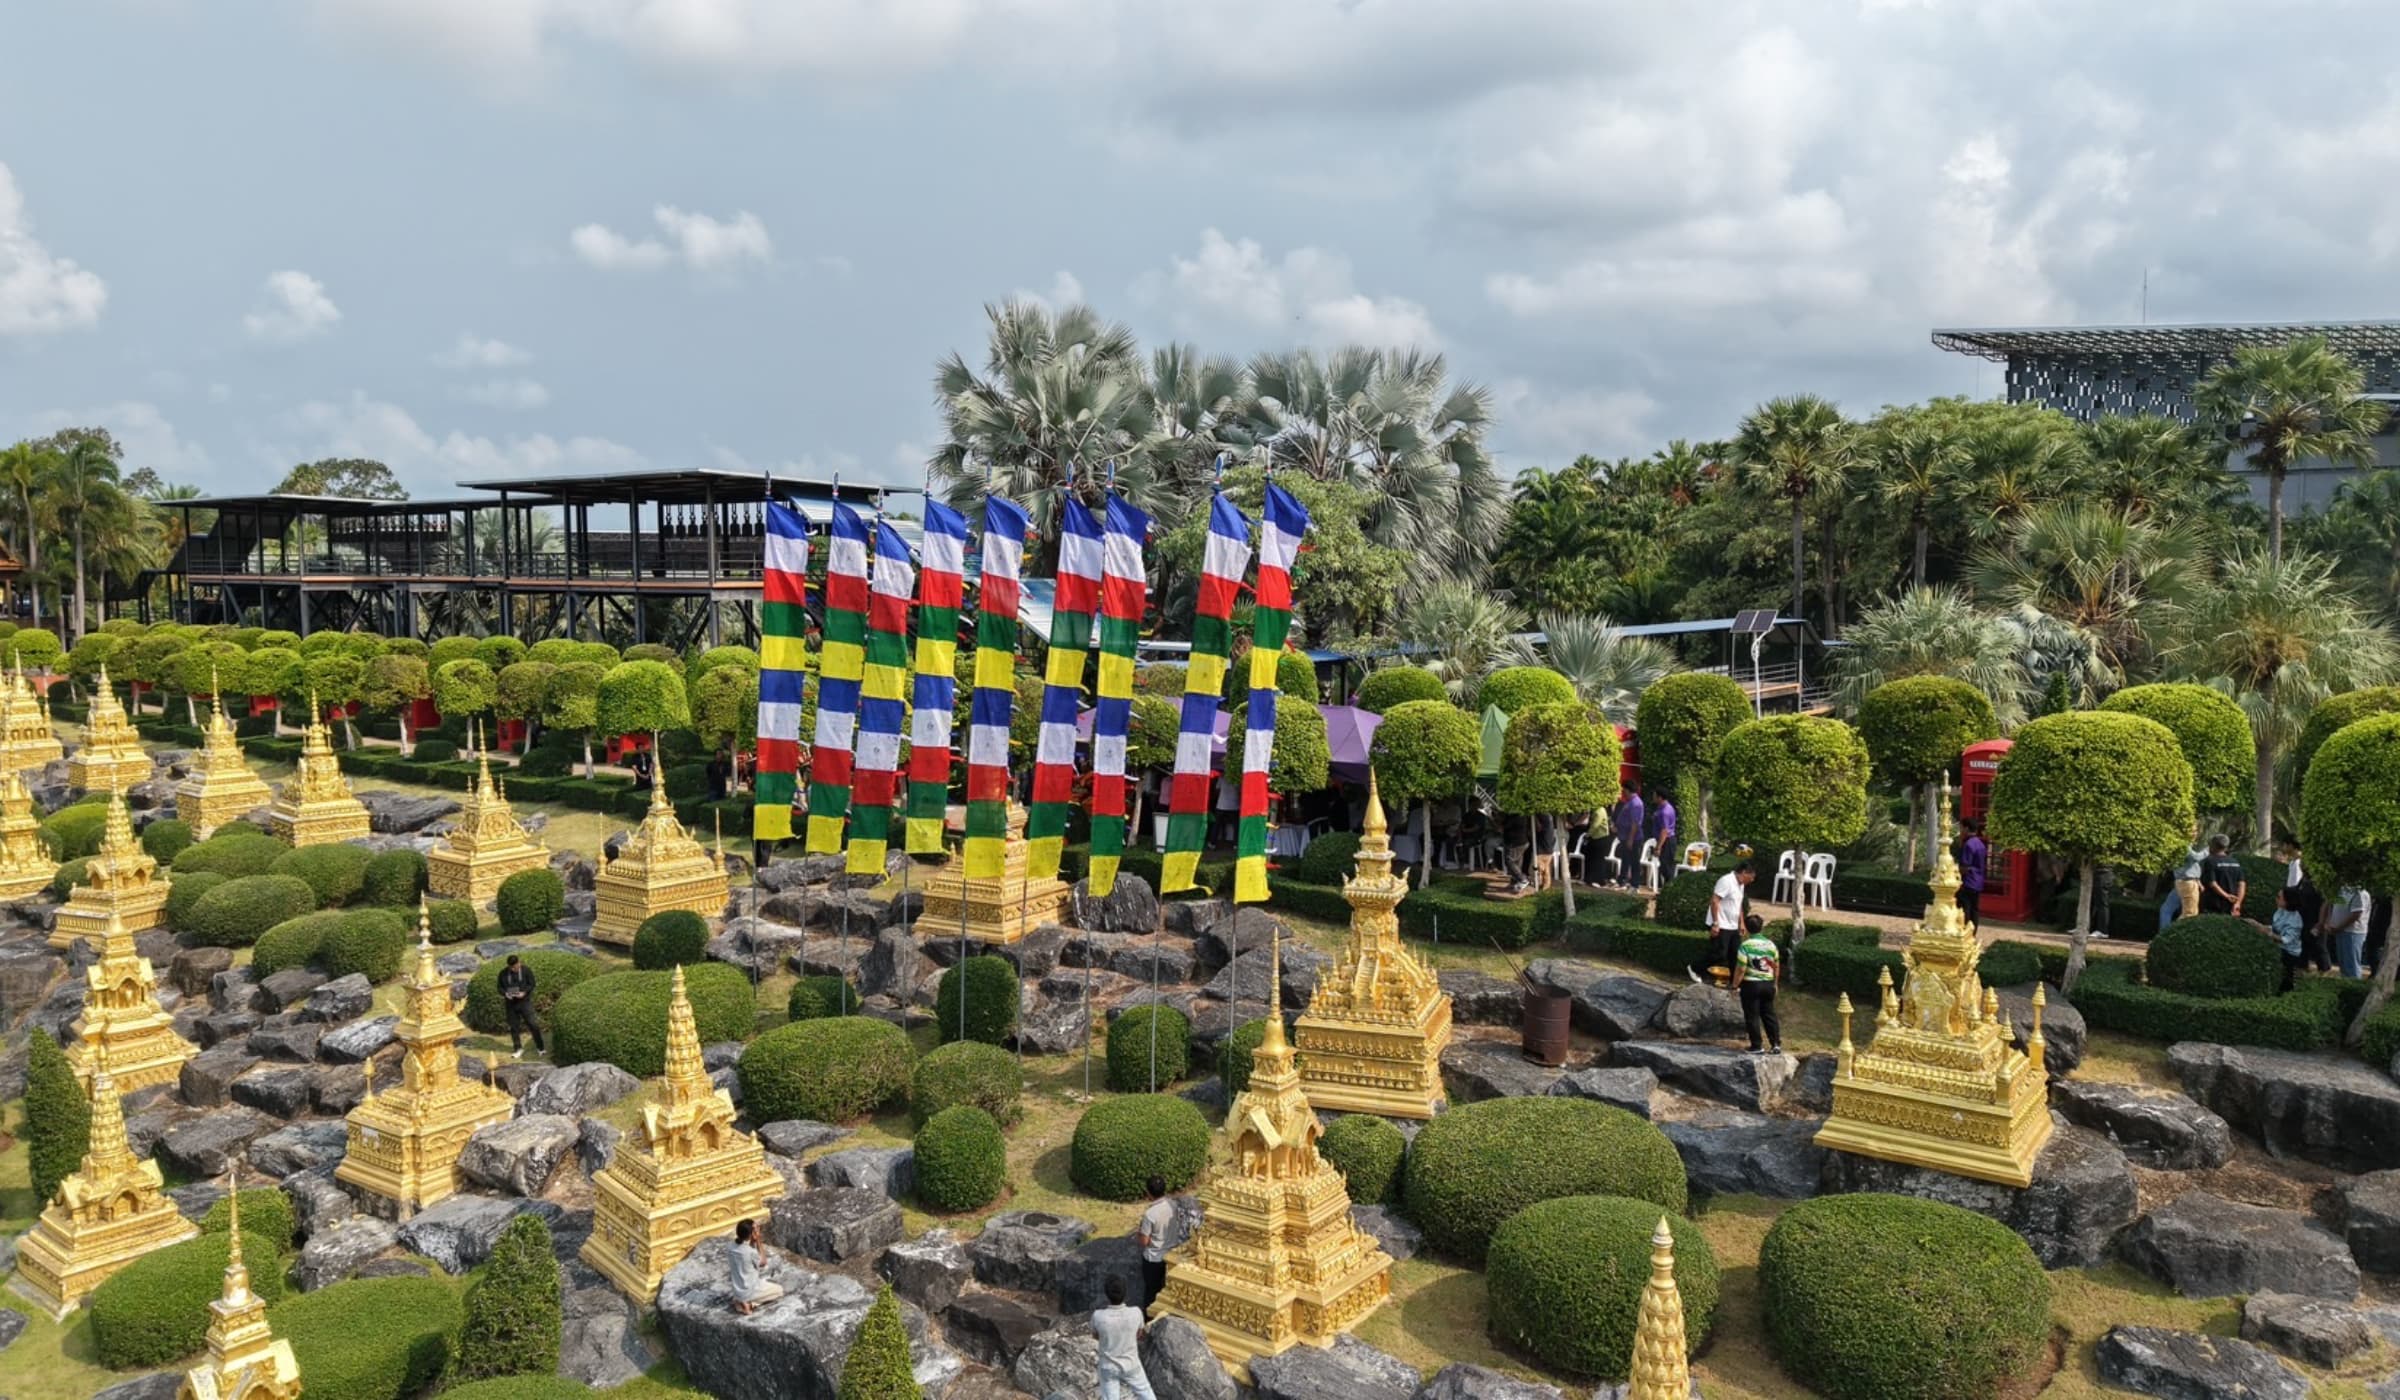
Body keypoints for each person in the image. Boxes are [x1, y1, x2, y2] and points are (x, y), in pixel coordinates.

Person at [1091, 1276, 1159, 1400]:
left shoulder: (1098, 1316)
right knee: (1145, 1392)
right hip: (1131, 1363)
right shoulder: (1136, 1312)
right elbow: (1139, 1334)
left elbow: (1096, 1336)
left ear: (1107, 1294)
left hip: (1108, 1366)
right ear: (1125, 1293)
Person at [1690, 861, 1754, 984]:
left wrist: (1741, 922)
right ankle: (1695, 968)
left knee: (1735, 954)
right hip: (1721, 923)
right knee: (1719, 953)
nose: (1751, 881)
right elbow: (1715, 901)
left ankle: (1735, 982)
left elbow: (1738, 903)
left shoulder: (1741, 884)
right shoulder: (1726, 881)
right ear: (1744, 873)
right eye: (1750, 877)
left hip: (1733, 924)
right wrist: (1715, 923)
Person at [1736, 912, 1782, 1055]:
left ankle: (1757, 1046)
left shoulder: (1745, 945)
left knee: (1752, 1015)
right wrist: (1775, 983)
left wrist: (1735, 984)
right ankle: (1775, 1044)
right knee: (1769, 1014)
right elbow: (1776, 966)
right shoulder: (1771, 945)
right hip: (1768, 983)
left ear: (1748, 929)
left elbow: (1741, 968)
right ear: (1762, 927)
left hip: (1751, 985)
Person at [1136, 1175, 1181, 1305]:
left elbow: (1144, 1241)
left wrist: (1138, 1234)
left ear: (1148, 1193)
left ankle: (1149, 1319)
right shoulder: (1174, 1205)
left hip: (1154, 1258)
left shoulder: (1150, 1214)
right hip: (1172, 1255)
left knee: (1151, 1293)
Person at [728, 1219, 781, 1313]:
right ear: (751, 1234)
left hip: (737, 1290)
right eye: (755, 1230)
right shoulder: (750, 1252)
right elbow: (763, 1262)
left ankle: (740, 1300)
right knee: (779, 1291)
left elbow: (747, 1255)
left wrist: (753, 1239)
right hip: (750, 1290)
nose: (758, 1230)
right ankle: (750, 1304)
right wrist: (758, 1240)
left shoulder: (731, 1246)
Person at [2161, 830, 2210, 929]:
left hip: (2183, 881)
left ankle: (2164, 934)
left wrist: (2198, 882)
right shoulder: (2184, 846)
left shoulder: (2182, 845)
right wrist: (2209, 850)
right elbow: (2196, 857)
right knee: (2190, 913)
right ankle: (2173, 935)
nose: (2195, 833)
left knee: (2166, 909)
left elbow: (2189, 866)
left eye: (2196, 831)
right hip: (2186, 882)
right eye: (2192, 831)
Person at [497, 954, 543, 1058]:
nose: (514, 969)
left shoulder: (526, 970)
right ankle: (518, 1048)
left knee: (533, 1024)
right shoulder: (503, 974)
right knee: (514, 1027)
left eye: (516, 967)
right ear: (509, 966)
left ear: (519, 963)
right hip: (510, 1004)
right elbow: (499, 988)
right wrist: (506, 994)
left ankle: (540, 1047)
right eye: (512, 968)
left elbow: (532, 984)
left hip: (524, 1002)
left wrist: (525, 992)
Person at [2325, 884, 2374, 978]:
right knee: (2343, 964)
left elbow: (2356, 914)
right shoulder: (2341, 889)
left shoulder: (2359, 892)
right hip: (2339, 931)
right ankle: (2345, 985)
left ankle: (2354, 987)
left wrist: (2339, 927)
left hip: (2353, 933)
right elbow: (2331, 905)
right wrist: (2329, 922)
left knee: (2351, 964)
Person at [2265, 887, 2307, 992]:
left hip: (2289, 953)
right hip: (2279, 948)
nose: (2276, 899)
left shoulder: (2295, 919)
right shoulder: (2280, 911)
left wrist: (2268, 933)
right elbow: (2275, 927)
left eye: (2279, 897)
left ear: (2287, 901)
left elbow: (2286, 939)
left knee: (2286, 980)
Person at [2199, 835, 2247, 917]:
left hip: (2214, 905)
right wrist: (2238, 902)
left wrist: (2227, 896)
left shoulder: (2209, 861)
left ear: (2212, 845)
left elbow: (2213, 884)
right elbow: (2242, 884)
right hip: (2231, 905)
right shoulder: (2235, 862)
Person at [1611, 790, 1646, 887]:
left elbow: (1635, 823)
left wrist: (1631, 839)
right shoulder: (1629, 802)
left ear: (1627, 790)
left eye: (1623, 790)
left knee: (1634, 860)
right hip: (1624, 836)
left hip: (1633, 838)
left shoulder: (1636, 804)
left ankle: (1635, 884)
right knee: (1625, 859)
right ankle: (1622, 880)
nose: (1622, 793)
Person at [1958, 820, 1989, 930]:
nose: (1960, 830)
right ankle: (1972, 933)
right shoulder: (1980, 843)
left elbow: (1964, 866)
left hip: (1968, 881)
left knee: (1965, 908)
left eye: (1961, 827)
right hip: (1978, 881)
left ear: (1966, 828)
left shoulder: (1968, 844)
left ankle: (1964, 931)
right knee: (1974, 909)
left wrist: (1956, 877)